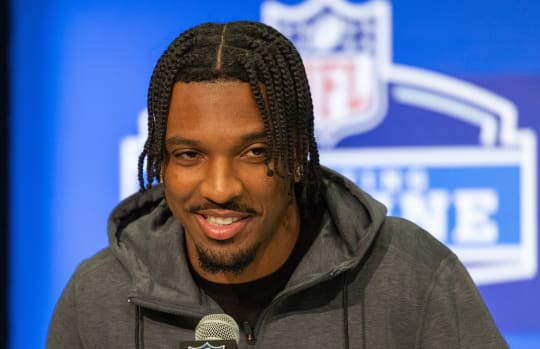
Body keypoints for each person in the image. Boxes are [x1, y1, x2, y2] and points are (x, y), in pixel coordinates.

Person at [47, 21, 508, 348]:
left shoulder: (410, 275)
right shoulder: (98, 298)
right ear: (161, 163)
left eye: (256, 153)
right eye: (190, 155)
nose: (220, 187)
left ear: (298, 156)